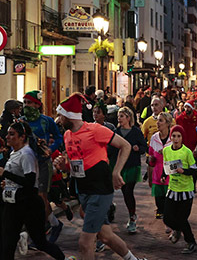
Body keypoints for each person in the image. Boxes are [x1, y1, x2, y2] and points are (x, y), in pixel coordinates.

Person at [56, 93, 142, 260]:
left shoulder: (94, 130)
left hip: (100, 189)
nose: (58, 119)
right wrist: (63, 165)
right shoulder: (67, 135)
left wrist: (116, 172)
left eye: (60, 115)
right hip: (83, 190)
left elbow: (125, 146)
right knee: (106, 236)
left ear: (69, 116)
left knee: (85, 243)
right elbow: (73, 164)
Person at [0, 121, 66, 260]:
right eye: (7, 133)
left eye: (12, 134)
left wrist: (5, 174)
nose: (7, 137)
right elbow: (18, 178)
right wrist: (7, 183)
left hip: (29, 205)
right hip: (13, 203)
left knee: (40, 242)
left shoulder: (26, 154)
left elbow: (30, 184)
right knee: (7, 243)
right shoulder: (14, 152)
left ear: (22, 137)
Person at [162, 125, 197, 251]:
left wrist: (184, 171)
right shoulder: (166, 150)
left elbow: (194, 171)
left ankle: (191, 241)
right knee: (167, 217)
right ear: (170, 137)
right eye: (173, 136)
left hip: (185, 190)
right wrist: (163, 176)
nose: (176, 139)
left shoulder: (187, 152)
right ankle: (177, 230)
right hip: (172, 189)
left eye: (179, 136)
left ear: (182, 138)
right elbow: (165, 167)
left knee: (182, 219)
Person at [115, 106, 146, 233]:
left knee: (128, 190)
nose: (119, 118)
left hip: (133, 165)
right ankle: (131, 213)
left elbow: (144, 146)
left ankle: (132, 217)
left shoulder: (136, 131)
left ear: (128, 118)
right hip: (120, 166)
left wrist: (138, 148)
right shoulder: (116, 132)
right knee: (124, 192)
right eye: (118, 116)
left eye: (122, 116)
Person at [147, 110, 172, 219]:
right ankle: (160, 210)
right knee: (159, 196)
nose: (157, 123)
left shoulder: (173, 137)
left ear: (167, 123)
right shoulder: (154, 138)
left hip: (170, 173)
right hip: (157, 172)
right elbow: (151, 159)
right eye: (157, 120)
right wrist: (151, 159)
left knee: (169, 198)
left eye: (160, 121)